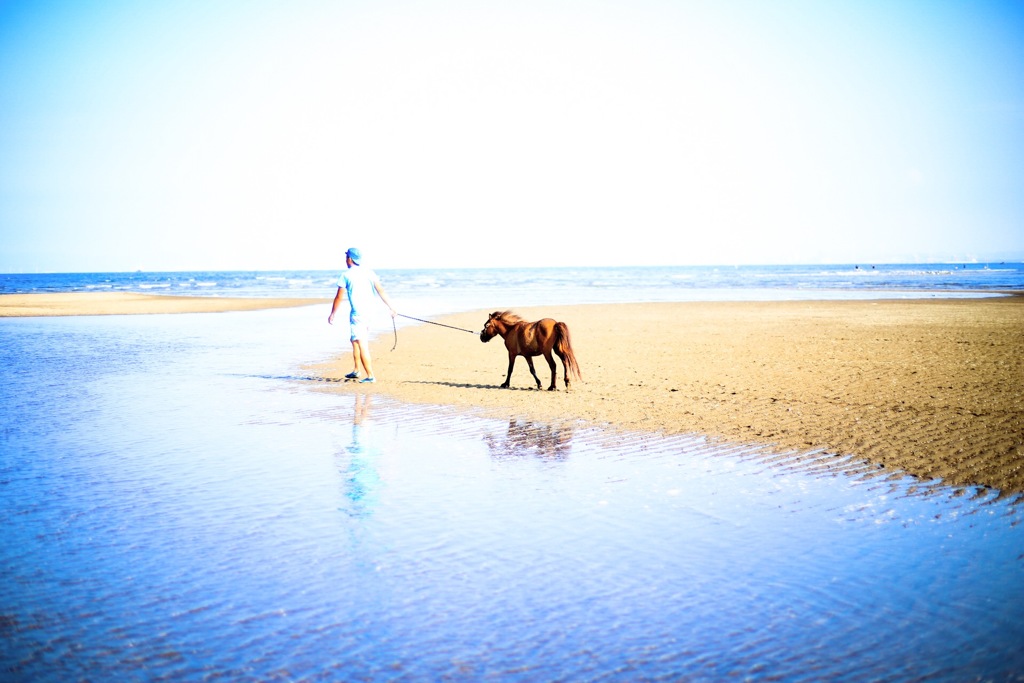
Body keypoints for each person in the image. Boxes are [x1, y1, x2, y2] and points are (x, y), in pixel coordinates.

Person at [328, 247, 397, 383]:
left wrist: (333, 314)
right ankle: (356, 370)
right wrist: (391, 307)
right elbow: (381, 291)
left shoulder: (346, 275)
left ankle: (370, 376)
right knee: (354, 340)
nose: (345, 259)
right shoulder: (369, 272)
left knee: (361, 343)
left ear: (350, 259)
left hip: (358, 314)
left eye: (346, 256)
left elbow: (338, 297)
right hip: (370, 313)